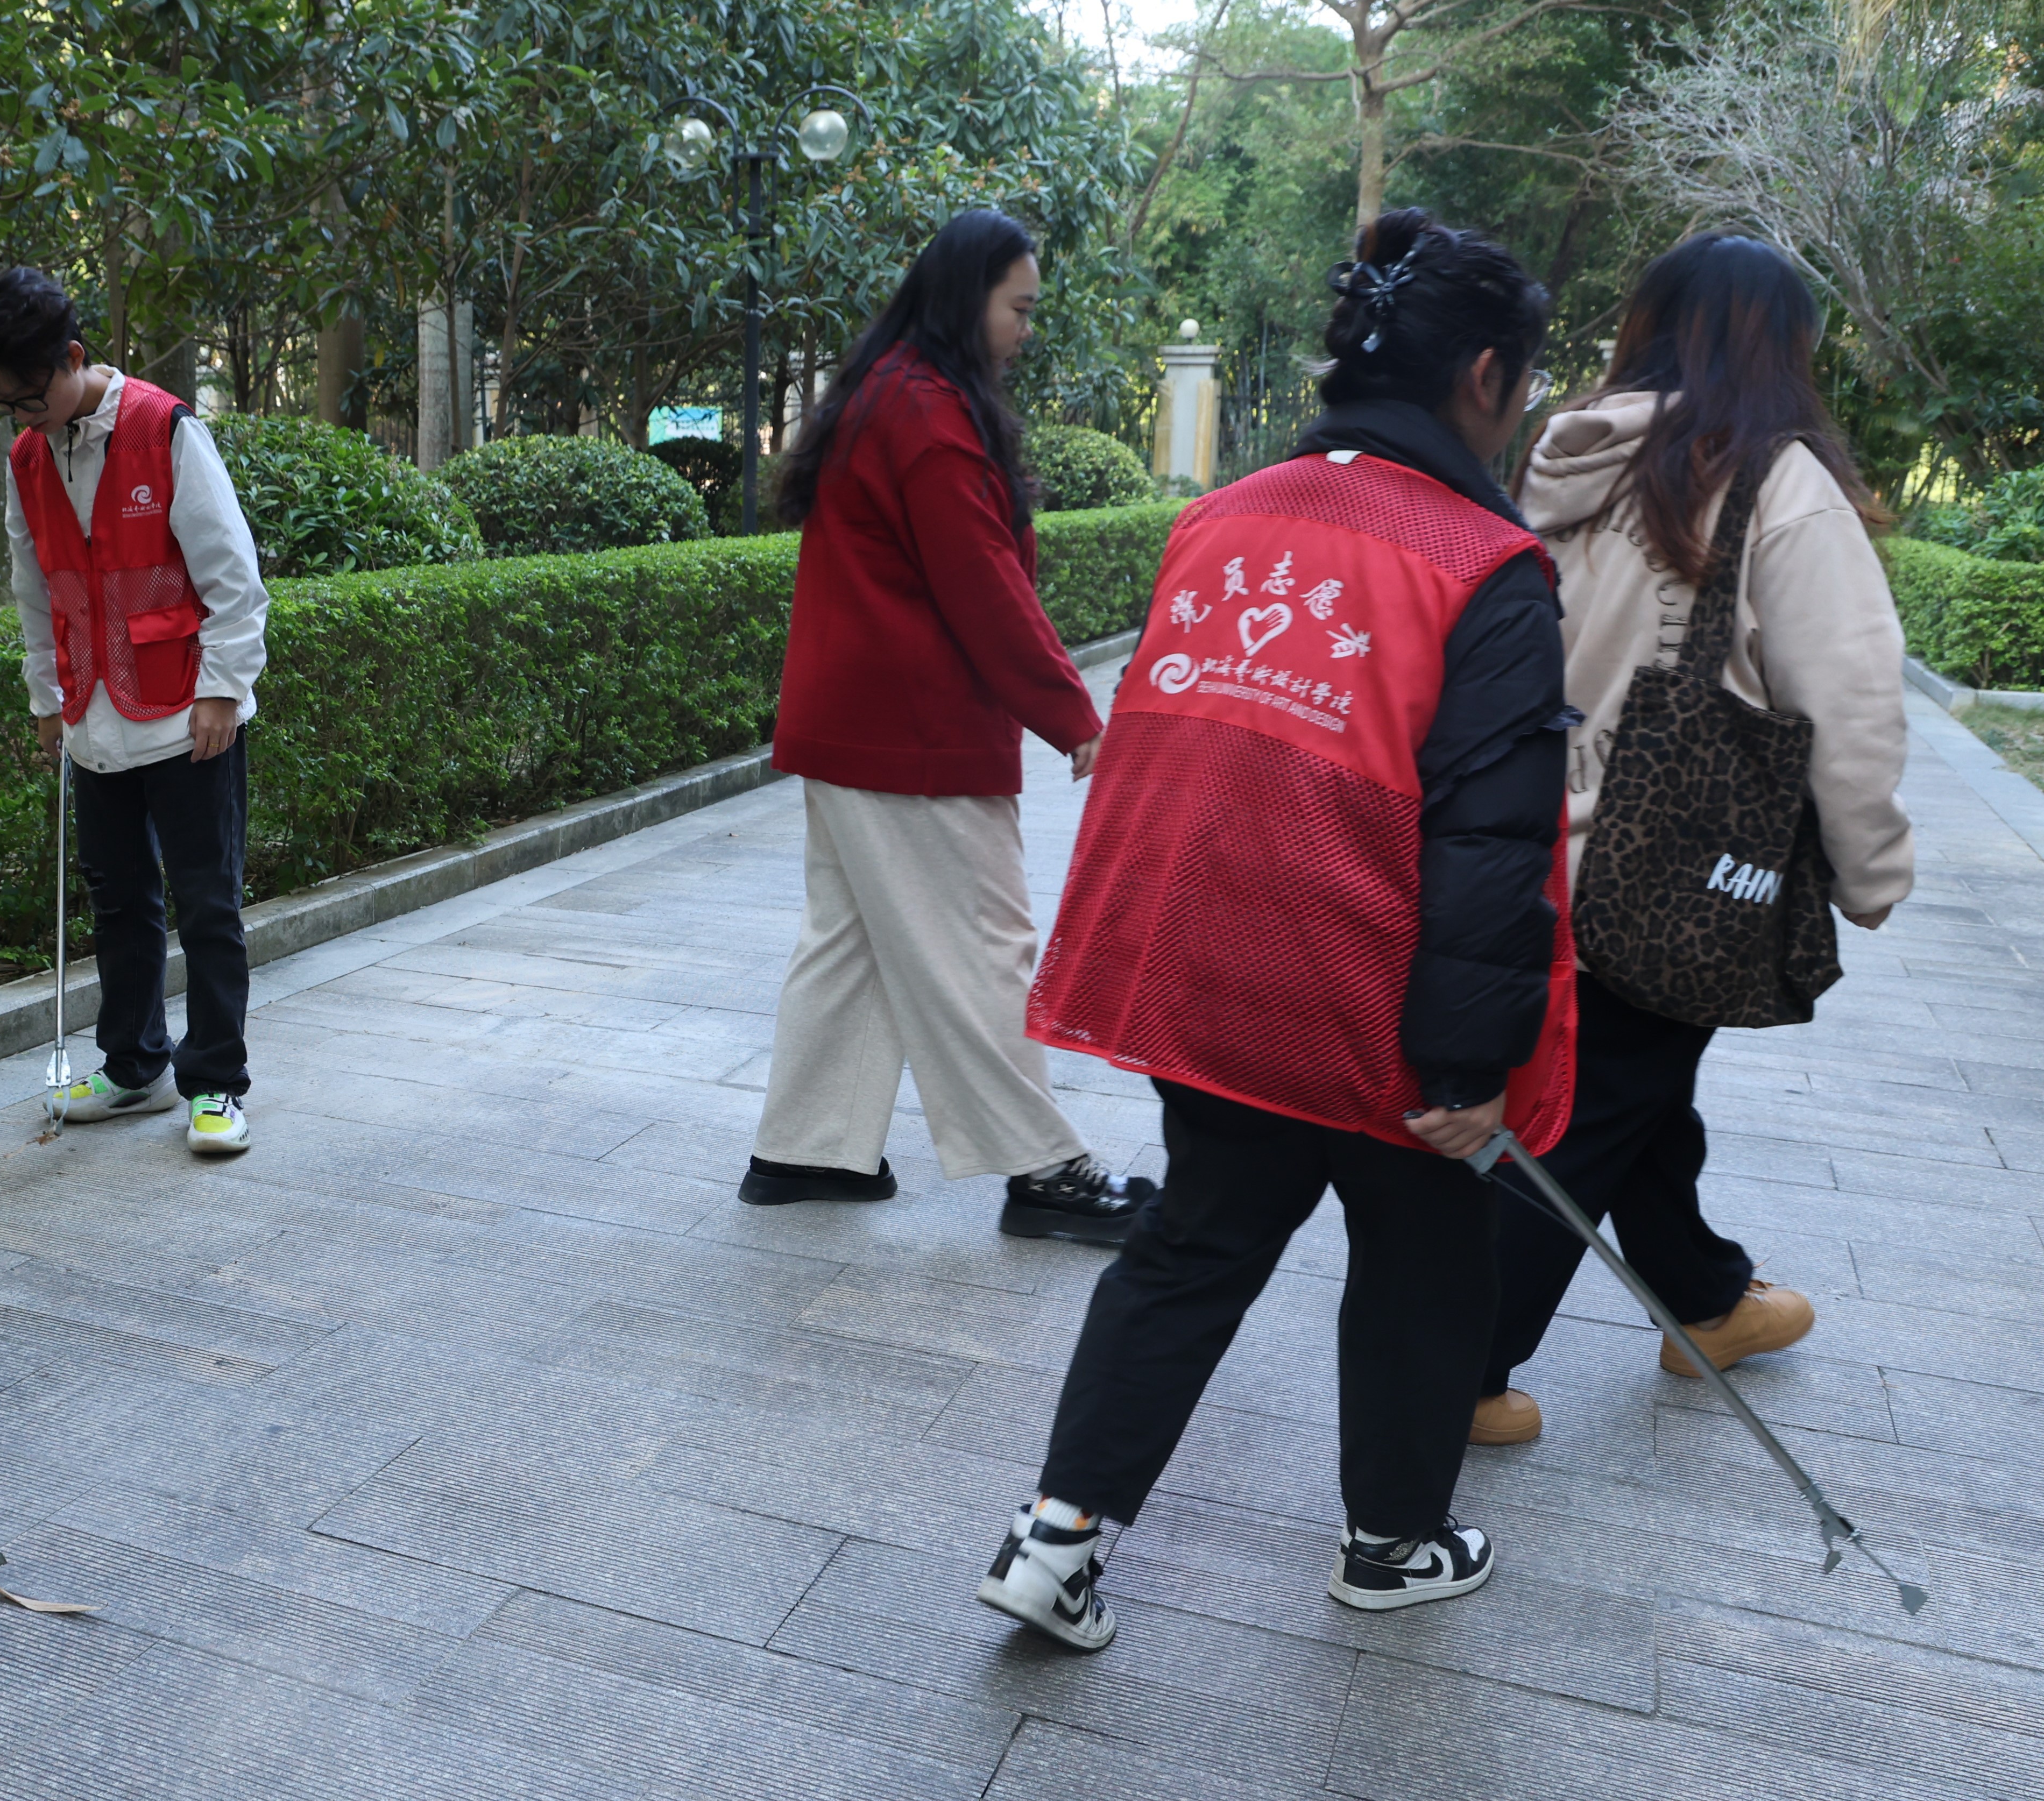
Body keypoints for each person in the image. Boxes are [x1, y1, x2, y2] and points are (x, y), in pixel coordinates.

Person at [984, 209, 1574, 1651]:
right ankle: (1393, 1542)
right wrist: (1470, 1062)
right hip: (1375, 997)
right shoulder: (1484, 563)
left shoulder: (1223, 519)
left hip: (1210, 973)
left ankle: (1056, 1540)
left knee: (1193, 1243)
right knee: (1426, 1260)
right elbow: (1492, 842)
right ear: (1485, 376)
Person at [1471, 235, 1911, 1446]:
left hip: (1529, 844)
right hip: (1670, 870)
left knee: (1635, 1082)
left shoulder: (1564, 458)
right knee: (1598, 1109)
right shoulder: (1775, 481)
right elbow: (1851, 696)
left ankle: (1705, 1298)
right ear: (1786, 349)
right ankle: (1454, 1369)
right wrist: (1873, 869)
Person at [739, 208, 1159, 1242]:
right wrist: (1073, 716)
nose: (1026, 329)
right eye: (1019, 308)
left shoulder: (886, 393)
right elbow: (985, 587)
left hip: (859, 722)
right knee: (982, 943)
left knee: (852, 943)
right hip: (911, 733)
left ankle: (807, 1149)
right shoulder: (928, 414)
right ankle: (1045, 1171)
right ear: (969, 299)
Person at [0, 267, 270, 1157]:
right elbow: (35, 591)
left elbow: (233, 576)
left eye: (32, 397)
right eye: (5, 405)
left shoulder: (165, 429)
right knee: (120, 904)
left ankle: (216, 1084)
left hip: (187, 715)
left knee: (207, 905)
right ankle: (136, 1067)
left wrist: (222, 689)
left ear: (74, 357)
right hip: (93, 720)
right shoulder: (27, 458)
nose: (25, 417)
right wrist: (46, 698)